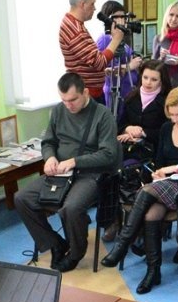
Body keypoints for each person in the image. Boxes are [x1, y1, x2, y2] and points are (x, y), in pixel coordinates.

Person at [101, 87, 178, 294]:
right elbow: (159, 161)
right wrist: (158, 173)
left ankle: (123, 244)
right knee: (150, 214)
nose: (175, 119)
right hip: (166, 185)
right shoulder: (166, 128)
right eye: (172, 115)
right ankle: (153, 270)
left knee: (146, 192)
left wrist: (175, 169)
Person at [15, 73, 121, 272]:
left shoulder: (103, 115)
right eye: (64, 100)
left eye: (73, 100)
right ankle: (55, 243)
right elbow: (48, 142)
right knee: (22, 198)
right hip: (60, 173)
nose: (68, 105)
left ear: (85, 93)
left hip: (91, 174)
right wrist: (50, 157)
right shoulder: (58, 111)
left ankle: (75, 253)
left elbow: (108, 154)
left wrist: (74, 161)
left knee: (71, 208)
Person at [59, 0, 125, 103]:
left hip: (89, 92)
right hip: (88, 95)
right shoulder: (75, 30)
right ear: (82, 4)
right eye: (92, 4)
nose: (94, 8)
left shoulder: (73, 23)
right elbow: (99, 63)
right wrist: (116, 39)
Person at [117, 60, 172, 164]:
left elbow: (169, 132)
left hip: (155, 153)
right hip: (127, 147)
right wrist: (128, 129)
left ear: (162, 81)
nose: (148, 82)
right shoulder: (131, 97)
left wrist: (143, 133)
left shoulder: (168, 101)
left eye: (154, 79)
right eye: (145, 77)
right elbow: (120, 125)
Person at [96, 1, 142, 114]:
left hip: (128, 91)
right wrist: (129, 66)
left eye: (123, 17)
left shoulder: (122, 37)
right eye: (117, 17)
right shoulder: (105, 39)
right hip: (114, 94)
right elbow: (101, 69)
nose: (121, 21)